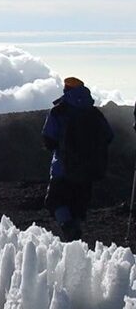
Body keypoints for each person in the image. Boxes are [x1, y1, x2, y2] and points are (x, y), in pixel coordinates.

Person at [42, 76, 113, 241]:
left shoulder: (59, 111)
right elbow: (109, 136)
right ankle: (75, 236)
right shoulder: (94, 112)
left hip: (63, 168)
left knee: (54, 201)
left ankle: (69, 230)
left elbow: (48, 138)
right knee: (78, 205)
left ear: (66, 90)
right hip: (89, 170)